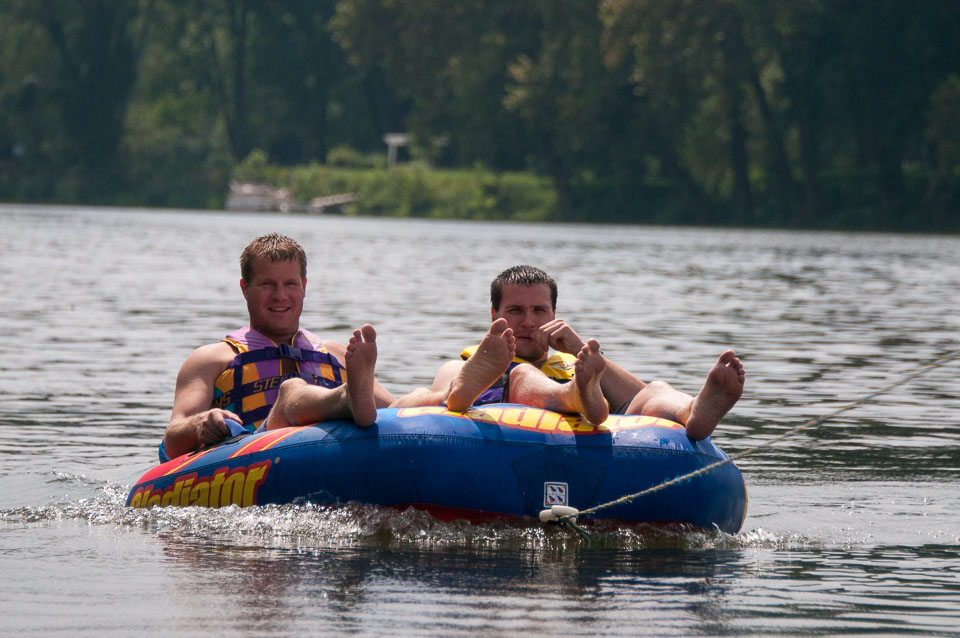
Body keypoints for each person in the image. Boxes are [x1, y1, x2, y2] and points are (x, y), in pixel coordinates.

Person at [391, 265, 744, 440]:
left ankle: (692, 410)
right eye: (515, 311)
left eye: (539, 311)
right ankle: (570, 395)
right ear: (494, 314)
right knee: (512, 374)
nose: (528, 321)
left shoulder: (576, 362)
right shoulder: (482, 356)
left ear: (555, 315)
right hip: (488, 394)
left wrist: (578, 349)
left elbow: (636, 398)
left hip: (579, 397)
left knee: (656, 389)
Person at [160, 233, 395, 461]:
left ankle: (415, 396)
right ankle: (344, 398)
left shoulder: (336, 354)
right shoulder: (212, 359)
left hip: (330, 455)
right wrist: (200, 423)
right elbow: (172, 440)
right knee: (290, 391)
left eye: (290, 283)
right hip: (252, 457)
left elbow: (394, 410)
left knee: (407, 402)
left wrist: (416, 403)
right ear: (245, 288)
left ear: (304, 287)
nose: (280, 295)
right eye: (267, 284)